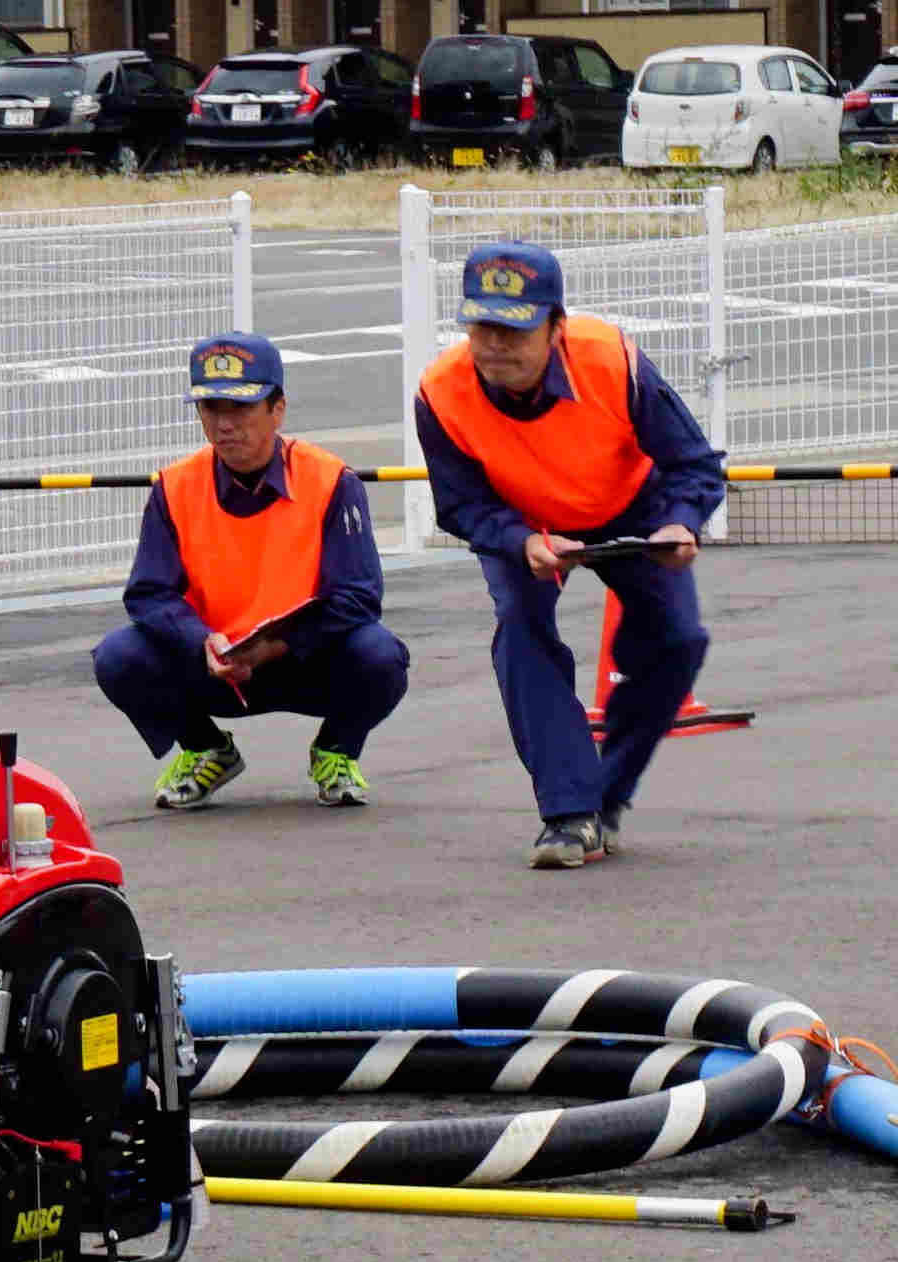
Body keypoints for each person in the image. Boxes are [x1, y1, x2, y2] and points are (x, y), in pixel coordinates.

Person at [409, 240, 724, 869]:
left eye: (514, 328)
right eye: (482, 326)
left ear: (557, 328)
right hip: (522, 523)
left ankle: (605, 798)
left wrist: (680, 526)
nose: (495, 344)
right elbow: (460, 504)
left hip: (630, 508)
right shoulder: (440, 391)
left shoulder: (612, 360)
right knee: (522, 631)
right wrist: (522, 541)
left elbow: (692, 463)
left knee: (678, 641)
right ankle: (569, 813)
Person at [92, 331, 407, 808]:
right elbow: (150, 594)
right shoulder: (175, 487)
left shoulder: (331, 482)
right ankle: (205, 749)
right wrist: (201, 641)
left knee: (381, 655)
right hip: (213, 664)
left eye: (240, 409)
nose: (224, 425)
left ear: (278, 409)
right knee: (118, 656)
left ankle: (336, 749)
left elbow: (358, 597)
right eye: (210, 409)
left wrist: (275, 646)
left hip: (303, 659)